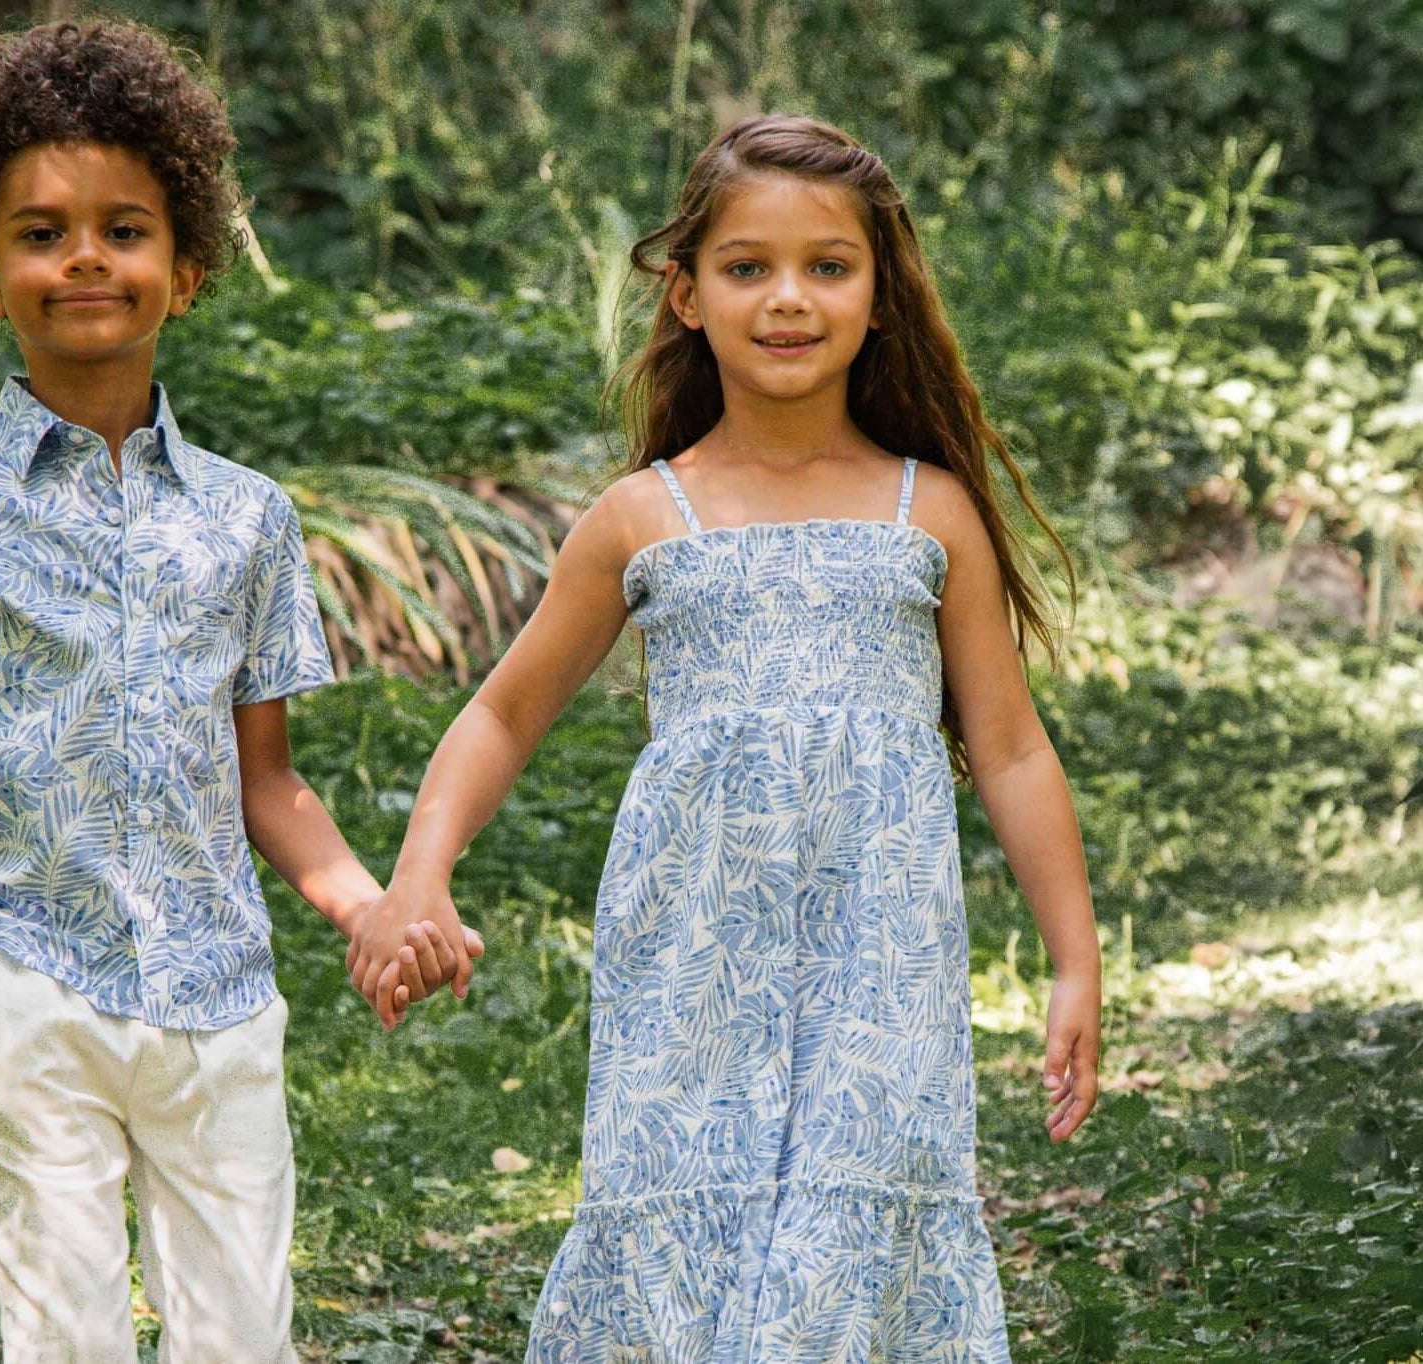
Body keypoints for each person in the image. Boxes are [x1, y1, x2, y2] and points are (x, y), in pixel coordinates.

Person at [347, 114, 1102, 1360]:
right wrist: (417, 870)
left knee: (849, 1229)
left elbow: (1012, 748)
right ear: (686, 293)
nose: (787, 298)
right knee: (679, 1212)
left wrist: (1072, 956)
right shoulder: (644, 516)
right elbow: (500, 709)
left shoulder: (933, 513)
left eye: (827, 266)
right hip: (690, 967)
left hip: (881, 975)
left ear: (879, 294)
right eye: (746, 267)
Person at [0, 18, 469, 1360]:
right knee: (63, 1339)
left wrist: (365, 908)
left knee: (241, 1337)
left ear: (183, 270)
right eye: (41, 232)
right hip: (28, 989)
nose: (83, 260)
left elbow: (267, 778)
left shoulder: (249, 518)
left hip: (218, 996)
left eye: (123, 229)